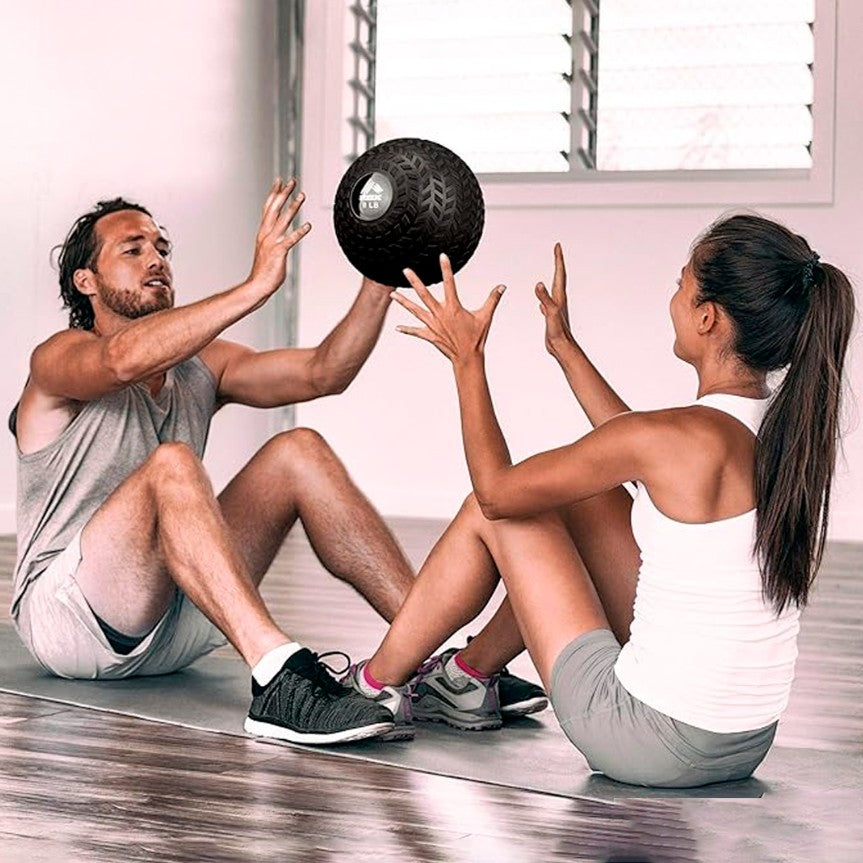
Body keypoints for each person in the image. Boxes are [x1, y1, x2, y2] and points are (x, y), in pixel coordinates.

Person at [9, 178, 543, 747]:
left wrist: (379, 276)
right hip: (72, 623)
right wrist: (256, 286)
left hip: (177, 619)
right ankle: (278, 683)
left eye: (162, 248)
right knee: (173, 464)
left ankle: (430, 662)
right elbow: (120, 360)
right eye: (132, 249)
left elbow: (324, 372)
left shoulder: (200, 367)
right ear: (84, 281)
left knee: (298, 450)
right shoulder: (58, 360)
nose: (155, 260)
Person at [343, 214, 856, 786]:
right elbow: (630, 447)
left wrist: (468, 359)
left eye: (680, 285)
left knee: (497, 512)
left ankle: (369, 689)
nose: (674, 298)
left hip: (646, 740)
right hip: (743, 742)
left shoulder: (673, 438)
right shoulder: (782, 431)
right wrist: (564, 348)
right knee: (590, 500)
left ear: (708, 317)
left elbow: (496, 493)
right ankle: (465, 678)